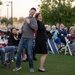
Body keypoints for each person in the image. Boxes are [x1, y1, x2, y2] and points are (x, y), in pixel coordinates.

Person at [13, 7, 38, 72]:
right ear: (29, 11)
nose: (32, 13)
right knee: (18, 52)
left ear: (34, 13)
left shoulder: (34, 20)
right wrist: (21, 29)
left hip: (30, 38)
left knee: (29, 53)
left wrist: (29, 23)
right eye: (31, 11)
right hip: (23, 37)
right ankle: (18, 66)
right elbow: (23, 26)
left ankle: (31, 67)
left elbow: (36, 28)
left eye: (33, 12)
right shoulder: (26, 18)